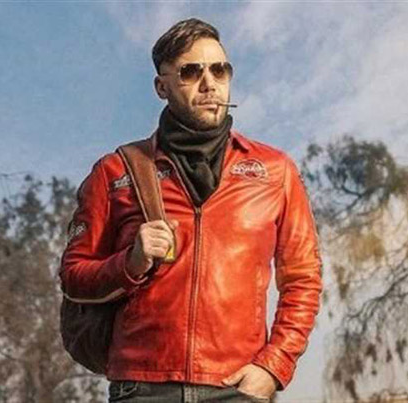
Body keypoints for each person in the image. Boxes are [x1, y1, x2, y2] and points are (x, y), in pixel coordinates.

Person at [59, 17, 323, 403]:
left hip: (237, 387)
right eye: (190, 72)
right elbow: (73, 277)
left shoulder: (275, 170)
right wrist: (130, 263)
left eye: (220, 70)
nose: (209, 83)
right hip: (142, 387)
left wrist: (274, 364)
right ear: (161, 87)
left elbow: (302, 278)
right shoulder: (115, 171)